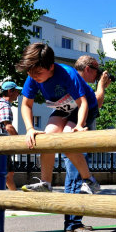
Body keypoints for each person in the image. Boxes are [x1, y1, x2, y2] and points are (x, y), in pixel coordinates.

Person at [15, 43, 101, 199]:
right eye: (30, 73)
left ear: (51, 67)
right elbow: (26, 104)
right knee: (48, 137)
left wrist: (80, 125)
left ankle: (90, 181)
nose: (34, 76)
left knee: (67, 138)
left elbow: (83, 103)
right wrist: (29, 129)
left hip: (84, 107)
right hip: (64, 106)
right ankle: (46, 183)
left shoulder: (67, 74)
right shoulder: (33, 76)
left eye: (38, 73)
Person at [61, 55, 112, 232]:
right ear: (88, 68)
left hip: (72, 138)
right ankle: (74, 224)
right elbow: (96, 104)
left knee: (73, 180)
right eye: (96, 71)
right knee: (76, 180)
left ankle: (73, 223)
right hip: (75, 140)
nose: (98, 74)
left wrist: (101, 87)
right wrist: (101, 87)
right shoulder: (77, 83)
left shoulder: (73, 83)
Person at [0, 81, 22, 190]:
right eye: (17, 91)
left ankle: (14, 196)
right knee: (7, 173)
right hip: (1, 144)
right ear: (10, 91)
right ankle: (15, 198)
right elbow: (8, 126)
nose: (18, 94)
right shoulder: (4, 106)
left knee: (9, 173)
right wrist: (20, 140)